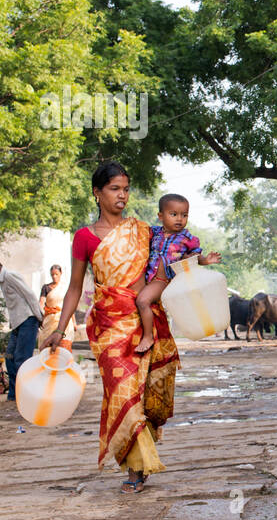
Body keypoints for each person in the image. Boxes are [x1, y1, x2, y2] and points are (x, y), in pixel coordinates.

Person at [45, 162, 181, 494]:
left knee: (149, 395)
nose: (122, 195)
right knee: (122, 394)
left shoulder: (143, 231)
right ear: (97, 192)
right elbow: (75, 287)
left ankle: (142, 454)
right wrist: (61, 329)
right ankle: (136, 466)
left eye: (125, 189)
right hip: (108, 325)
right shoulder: (85, 237)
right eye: (114, 189)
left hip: (146, 320)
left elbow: (168, 263)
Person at [135, 194, 221, 355]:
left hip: (164, 280)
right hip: (148, 277)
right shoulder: (153, 233)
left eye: (184, 215)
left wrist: (206, 260)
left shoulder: (187, 238)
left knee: (142, 301)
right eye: (173, 214)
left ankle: (147, 337)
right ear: (160, 216)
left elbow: (195, 257)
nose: (179, 219)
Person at [0, 254, 43, 401]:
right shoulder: (2, 280)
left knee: (22, 360)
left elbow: (30, 295)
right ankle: (14, 394)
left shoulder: (10, 276)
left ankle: (26, 394)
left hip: (28, 320)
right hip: (17, 324)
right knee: (9, 357)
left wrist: (40, 316)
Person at [36, 264, 74, 350]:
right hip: (49, 319)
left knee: (63, 346)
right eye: (52, 274)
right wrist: (40, 317)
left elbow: (69, 305)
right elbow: (41, 303)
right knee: (46, 346)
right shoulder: (46, 288)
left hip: (63, 319)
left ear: (61, 273)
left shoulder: (65, 288)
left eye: (56, 274)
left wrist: (74, 323)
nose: (54, 276)